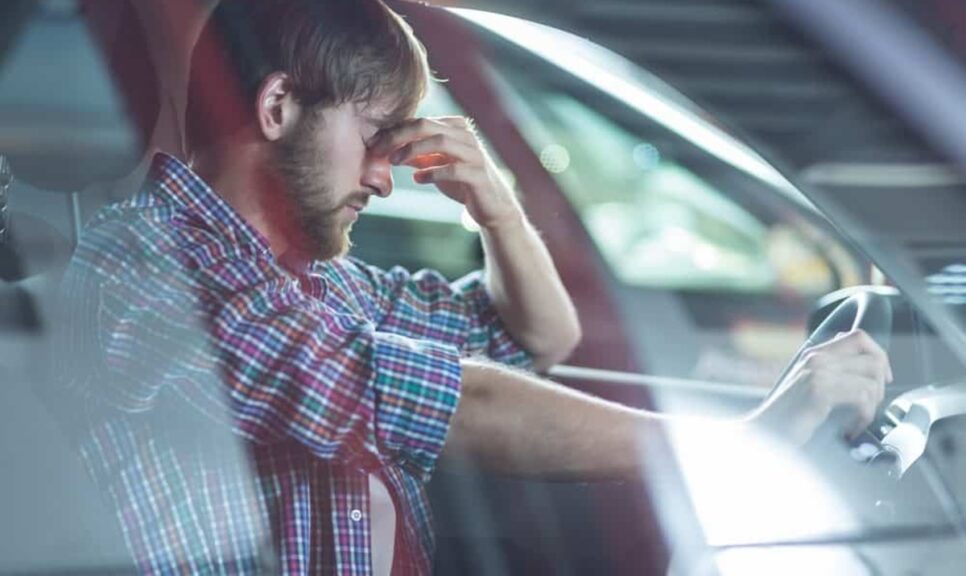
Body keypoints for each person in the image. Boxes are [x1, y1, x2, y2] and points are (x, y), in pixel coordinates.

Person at [54, 0, 893, 574]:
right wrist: (749, 440)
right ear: (278, 107)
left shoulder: (320, 283)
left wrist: (495, 202)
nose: (386, 181)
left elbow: (538, 341)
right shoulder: (146, 272)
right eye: (377, 137)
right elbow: (452, 401)